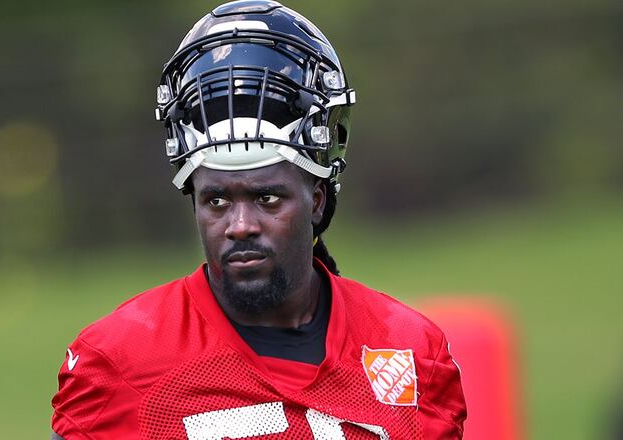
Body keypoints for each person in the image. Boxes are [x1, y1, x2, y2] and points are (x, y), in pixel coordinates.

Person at [50, 1, 467, 439]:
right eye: (216, 201)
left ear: (318, 202)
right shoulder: (121, 361)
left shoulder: (411, 351)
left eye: (267, 198)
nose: (240, 224)